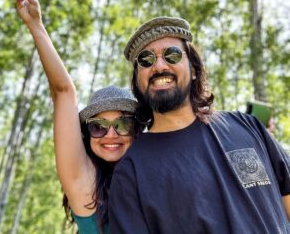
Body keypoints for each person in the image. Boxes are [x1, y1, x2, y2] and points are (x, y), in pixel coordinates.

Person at [108, 16, 290, 233]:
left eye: (172, 55)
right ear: (138, 80)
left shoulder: (248, 126)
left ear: (194, 69)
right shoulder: (130, 174)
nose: (158, 66)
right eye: (146, 60)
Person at [16, 0, 143, 234]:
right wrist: (36, 26)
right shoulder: (87, 188)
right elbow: (64, 92)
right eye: (98, 126)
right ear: (86, 135)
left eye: (123, 124)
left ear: (137, 130)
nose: (110, 135)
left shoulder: (154, 179)